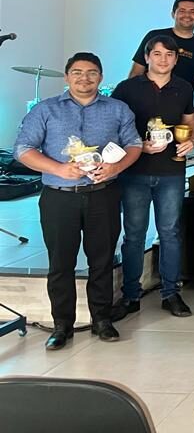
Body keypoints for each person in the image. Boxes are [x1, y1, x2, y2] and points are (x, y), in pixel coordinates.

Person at [15, 53, 143, 349]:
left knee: (102, 260)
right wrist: (59, 168)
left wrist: (116, 167)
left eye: (91, 72)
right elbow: (23, 148)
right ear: (66, 77)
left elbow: (134, 144)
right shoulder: (46, 109)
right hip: (59, 197)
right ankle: (62, 324)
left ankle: (102, 319)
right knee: (61, 262)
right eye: (77, 72)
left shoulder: (117, 109)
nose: (84, 78)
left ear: (101, 77)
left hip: (103, 194)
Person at [112, 36, 194, 319]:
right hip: (134, 171)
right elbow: (112, 126)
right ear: (146, 57)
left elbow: (189, 122)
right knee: (134, 234)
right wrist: (137, 146)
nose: (163, 60)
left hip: (171, 171)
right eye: (157, 54)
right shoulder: (126, 88)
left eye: (169, 55)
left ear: (176, 59)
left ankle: (171, 293)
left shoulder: (184, 87)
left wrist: (191, 140)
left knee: (170, 232)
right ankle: (130, 295)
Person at [129, 0, 194, 88]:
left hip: (182, 96)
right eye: (182, 11)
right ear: (173, 14)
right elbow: (136, 72)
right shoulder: (154, 36)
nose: (187, 15)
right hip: (147, 94)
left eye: (192, 11)